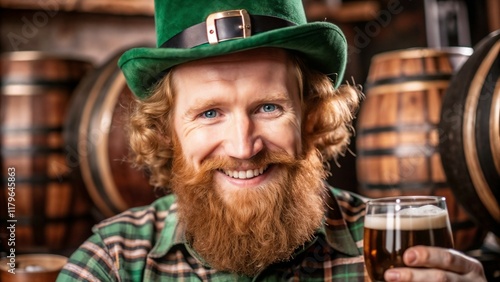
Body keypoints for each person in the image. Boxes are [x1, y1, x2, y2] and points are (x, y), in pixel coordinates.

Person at [57, 0, 487, 281]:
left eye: (268, 107)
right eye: (210, 113)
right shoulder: (112, 264)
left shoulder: (385, 252)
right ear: (166, 131)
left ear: (312, 114)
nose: (244, 147)